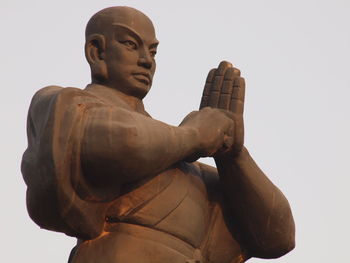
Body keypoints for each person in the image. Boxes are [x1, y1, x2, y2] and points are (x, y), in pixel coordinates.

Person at [22, 6, 295, 263]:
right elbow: (126, 144)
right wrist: (196, 135)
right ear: (97, 52)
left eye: (153, 52)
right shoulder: (63, 105)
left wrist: (232, 155)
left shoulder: (189, 169)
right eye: (131, 44)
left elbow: (278, 237)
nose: (146, 61)